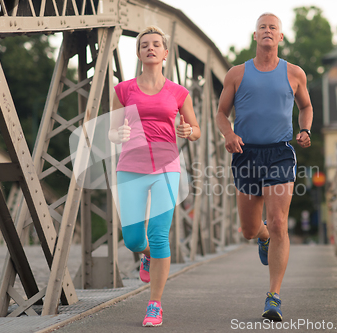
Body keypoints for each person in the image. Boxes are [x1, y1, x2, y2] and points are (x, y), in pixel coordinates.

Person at [216, 13, 313, 321]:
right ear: (255, 36)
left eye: (273, 28)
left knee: (279, 221)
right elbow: (221, 113)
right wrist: (229, 134)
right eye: (263, 27)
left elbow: (306, 106)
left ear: (280, 37)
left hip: (280, 154)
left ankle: (274, 297)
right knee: (248, 229)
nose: (268, 31)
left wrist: (305, 129)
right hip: (246, 154)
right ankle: (262, 236)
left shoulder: (294, 73)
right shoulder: (237, 73)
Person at [109, 26, 201, 327]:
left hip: (166, 168)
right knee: (134, 240)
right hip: (131, 167)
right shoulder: (123, 90)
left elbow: (195, 130)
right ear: (138, 54)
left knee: (160, 235)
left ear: (164, 53)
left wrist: (189, 131)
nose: (150, 48)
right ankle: (145, 255)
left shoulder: (178, 92)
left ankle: (154, 304)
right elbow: (111, 129)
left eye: (156, 44)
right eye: (144, 44)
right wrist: (116, 132)